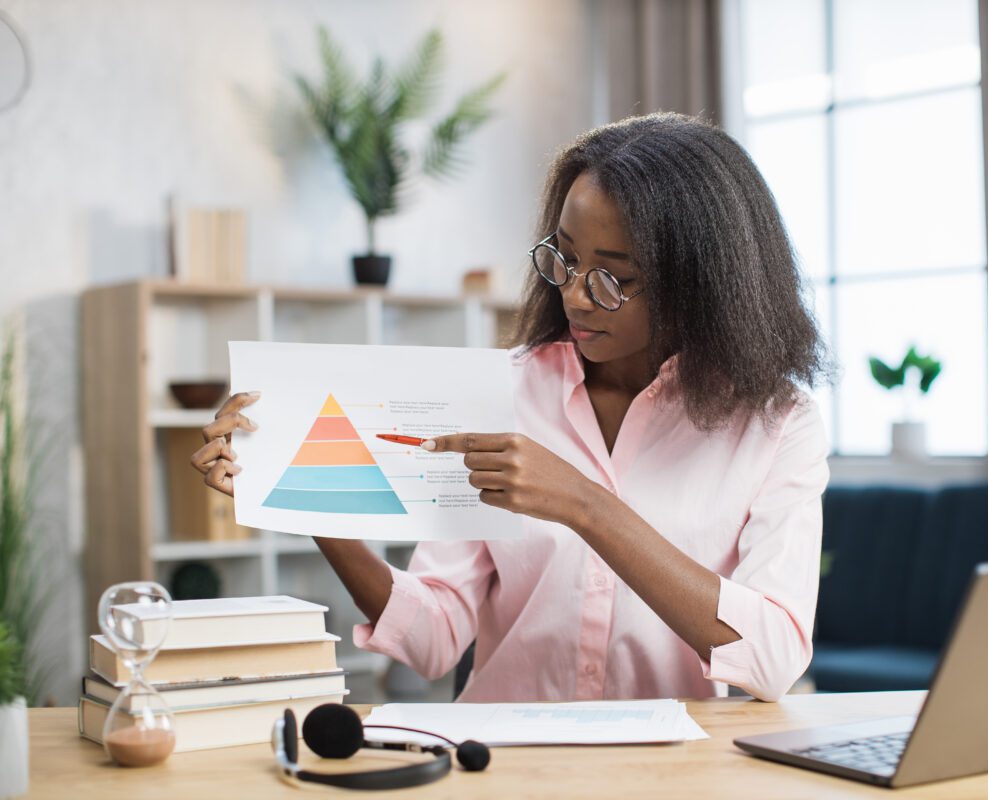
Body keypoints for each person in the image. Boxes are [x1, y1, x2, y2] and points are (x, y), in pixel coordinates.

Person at [192, 113, 830, 703]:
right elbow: (432, 638)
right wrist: (308, 498)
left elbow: (772, 658)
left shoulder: (777, 423)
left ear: (701, 281)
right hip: (503, 768)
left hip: (672, 774)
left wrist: (584, 504)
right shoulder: (501, 394)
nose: (576, 296)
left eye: (612, 277)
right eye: (567, 259)